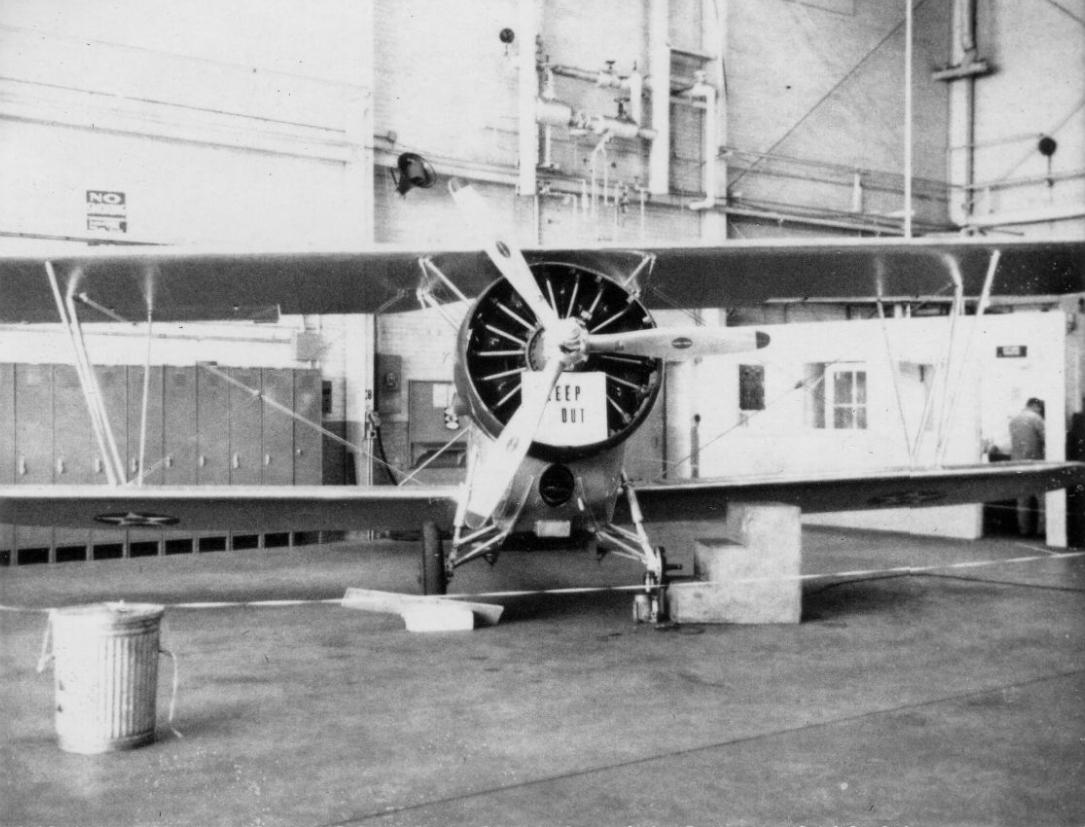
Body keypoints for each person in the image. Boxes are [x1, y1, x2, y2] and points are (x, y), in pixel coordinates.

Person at [1008, 398, 1046, 536]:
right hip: (1035, 462)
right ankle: (1042, 530)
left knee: (1023, 499)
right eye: (1040, 408)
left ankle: (1024, 530)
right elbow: (1046, 438)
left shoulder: (1013, 420)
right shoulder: (1036, 418)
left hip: (1017, 463)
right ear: (1035, 406)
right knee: (1042, 498)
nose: (1041, 411)